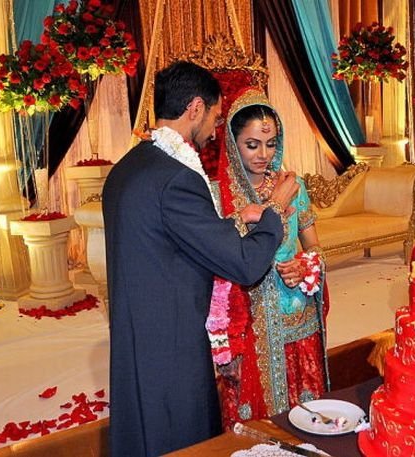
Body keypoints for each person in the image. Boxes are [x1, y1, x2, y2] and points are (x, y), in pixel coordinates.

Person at [102, 62, 299, 456]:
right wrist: (275, 208)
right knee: (180, 439)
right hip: (171, 344)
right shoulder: (178, 177)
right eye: (214, 116)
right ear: (195, 108)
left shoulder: (129, 167)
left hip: (137, 333)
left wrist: (233, 221)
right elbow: (243, 264)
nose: (214, 130)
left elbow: (169, 239)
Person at [206, 87, 328, 429]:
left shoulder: (293, 186)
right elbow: (216, 261)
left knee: (303, 413)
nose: (264, 154)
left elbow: (315, 247)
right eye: (252, 144)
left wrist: (306, 266)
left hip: (295, 314)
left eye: (271, 143)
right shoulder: (218, 195)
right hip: (247, 319)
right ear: (233, 143)